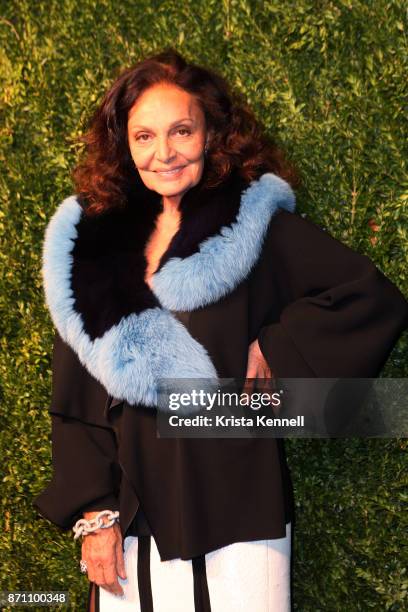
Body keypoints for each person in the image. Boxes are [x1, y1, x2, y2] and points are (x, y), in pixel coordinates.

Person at [33, 48, 408, 612]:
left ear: (210, 134)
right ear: (123, 144)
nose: (163, 153)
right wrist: (95, 516)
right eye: (143, 137)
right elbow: (78, 402)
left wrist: (277, 344)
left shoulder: (253, 225)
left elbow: (369, 296)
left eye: (181, 131)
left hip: (242, 506)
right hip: (133, 519)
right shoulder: (88, 247)